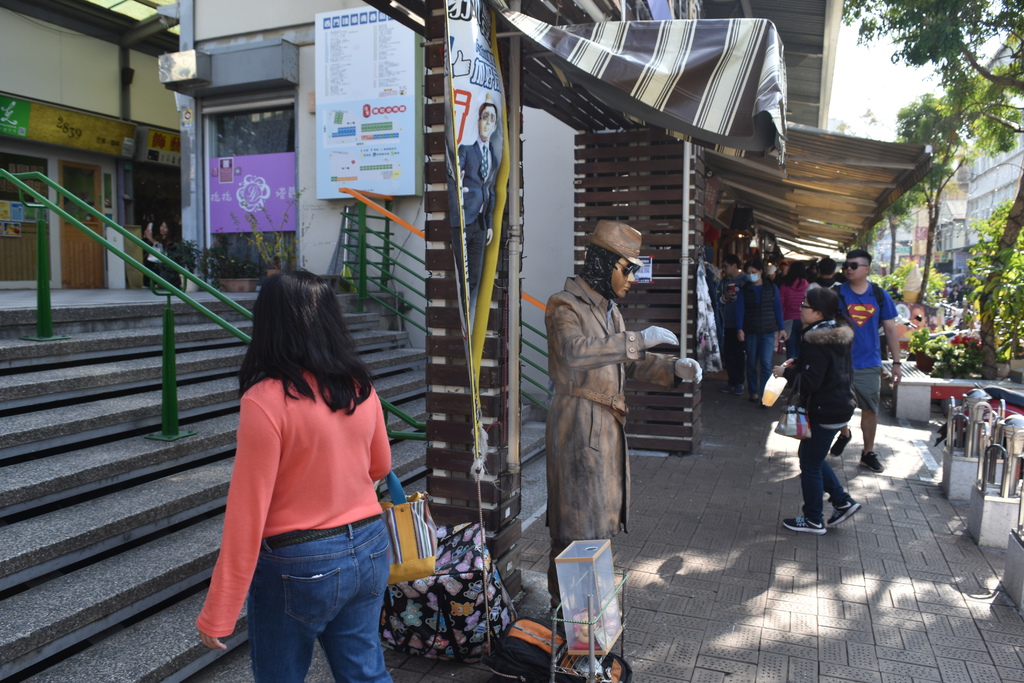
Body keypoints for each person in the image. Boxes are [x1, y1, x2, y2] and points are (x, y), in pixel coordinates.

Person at [196, 271, 392, 683]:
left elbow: (248, 512)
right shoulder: (360, 386)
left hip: (300, 562)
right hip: (371, 549)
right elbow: (380, 467)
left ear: (269, 323)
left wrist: (220, 610)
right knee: (366, 673)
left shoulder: (266, 399)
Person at [544, 220, 701, 605]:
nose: (632, 278)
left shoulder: (609, 311)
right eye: (627, 268)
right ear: (603, 264)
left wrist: (671, 368)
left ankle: (585, 616)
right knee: (577, 525)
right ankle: (571, 614)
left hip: (606, 426)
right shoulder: (564, 304)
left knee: (595, 524)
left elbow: (626, 363)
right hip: (578, 424)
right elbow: (575, 352)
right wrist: (636, 340)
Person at [773, 286, 861, 534]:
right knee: (812, 457)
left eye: (805, 306)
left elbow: (812, 381)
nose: (801, 309)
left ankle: (813, 519)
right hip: (840, 405)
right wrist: (799, 364)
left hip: (826, 409)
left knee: (810, 464)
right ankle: (842, 502)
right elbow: (825, 367)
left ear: (819, 313)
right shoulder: (834, 333)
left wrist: (786, 373)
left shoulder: (815, 339)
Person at [830, 249, 902, 473]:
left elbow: (890, 329)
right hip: (839, 361)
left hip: (869, 363)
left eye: (854, 266)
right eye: (846, 265)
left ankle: (868, 453)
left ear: (867, 269)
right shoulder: (836, 293)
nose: (848, 269)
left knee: (870, 410)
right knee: (836, 405)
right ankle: (844, 432)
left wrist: (897, 363)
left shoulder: (880, 295)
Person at [448, 98, 499, 310]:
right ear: (478, 121)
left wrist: (488, 223)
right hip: (463, 219)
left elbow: (490, 191)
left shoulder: (494, 158)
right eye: (484, 117)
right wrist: (459, 184)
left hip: (479, 223)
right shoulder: (466, 150)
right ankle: (462, 311)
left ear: (495, 126)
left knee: (475, 275)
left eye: (492, 119)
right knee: (463, 272)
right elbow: (454, 173)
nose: (487, 123)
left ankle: (468, 312)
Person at [735, 258, 786, 403]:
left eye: (754, 272)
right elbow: (740, 310)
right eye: (749, 272)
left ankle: (764, 392)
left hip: (768, 330)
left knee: (765, 363)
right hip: (750, 330)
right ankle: (753, 392)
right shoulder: (745, 290)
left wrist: (781, 328)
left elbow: (777, 308)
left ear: (761, 272)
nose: (751, 275)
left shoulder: (771, 287)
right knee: (751, 363)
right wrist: (740, 328)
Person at [718, 253, 746, 395]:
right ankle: (731, 381)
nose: (724, 269)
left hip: (741, 324)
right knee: (729, 354)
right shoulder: (724, 282)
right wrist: (724, 298)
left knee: (739, 354)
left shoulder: (745, 281)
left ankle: (739, 382)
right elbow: (719, 302)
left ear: (735, 266)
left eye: (726, 266)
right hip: (727, 322)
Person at [779, 261, 810, 359]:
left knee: (790, 350)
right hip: (804, 320)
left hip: (788, 320)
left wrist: (779, 324)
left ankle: (790, 372)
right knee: (801, 350)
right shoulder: (807, 286)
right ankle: (799, 373)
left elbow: (780, 305)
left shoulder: (784, 287)